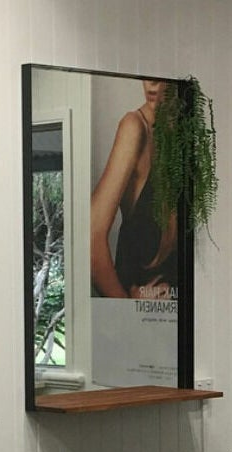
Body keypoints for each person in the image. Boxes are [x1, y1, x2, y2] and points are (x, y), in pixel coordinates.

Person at [90, 79, 178, 300]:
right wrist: (129, 309)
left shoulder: (188, 137)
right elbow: (89, 235)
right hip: (140, 321)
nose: (151, 82)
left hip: (181, 318)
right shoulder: (135, 127)